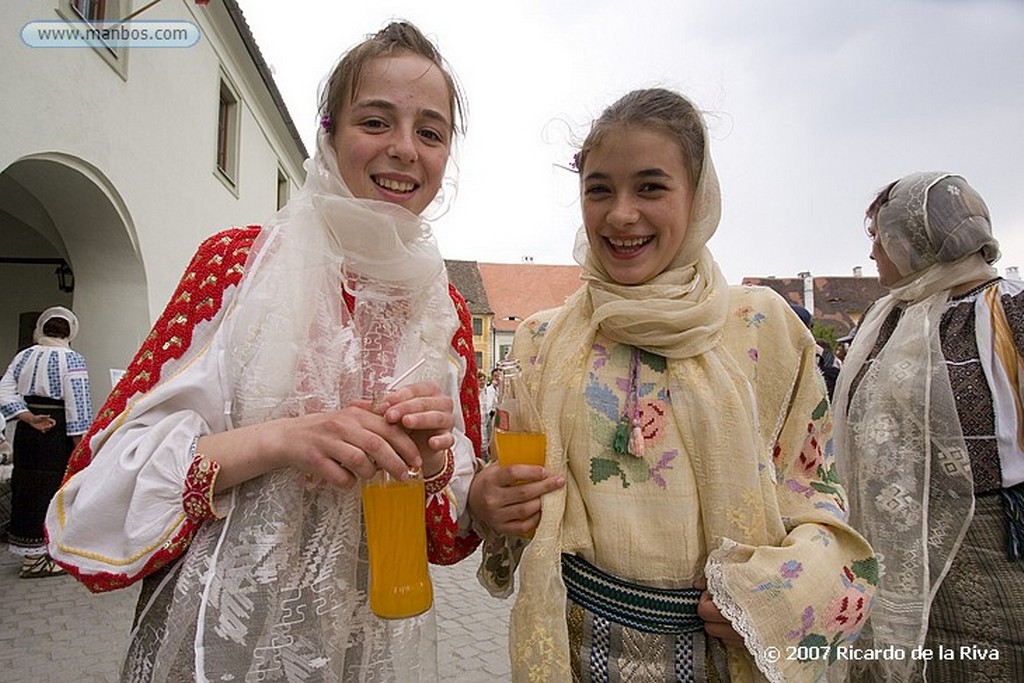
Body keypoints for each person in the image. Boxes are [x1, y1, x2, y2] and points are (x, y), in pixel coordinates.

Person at [45, 22, 482, 682]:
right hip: (216, 649)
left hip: (366, 652)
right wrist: (282, 439)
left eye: (430, 131)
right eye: (376, 121)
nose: (403, 149)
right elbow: (94, 496)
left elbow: (448, 535)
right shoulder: (237, 264)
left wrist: (428, 466)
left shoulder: (440, 307)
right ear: (329, 135)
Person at [468, 88, 876, 682]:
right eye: (599, 189)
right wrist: (488, 500)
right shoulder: (538, 342)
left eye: (651, 187)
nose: (621, 214)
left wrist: (768, 603)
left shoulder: (761, 329)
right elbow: (500, 492)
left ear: (699, 197)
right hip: (574, 653)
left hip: (724, 655)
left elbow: (817, 498)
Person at [833, 171, 1024, 680]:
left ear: (916, 241)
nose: (873, 251)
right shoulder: (887, 318)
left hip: (990, 545)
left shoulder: (1008, 309)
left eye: (880, 236)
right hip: (891, 543)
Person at [0, 306, 92, 578]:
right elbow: (79, 405)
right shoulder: (73, 360)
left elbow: (4, 389)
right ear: (70, 332)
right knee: (52, 489)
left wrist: (27, 417)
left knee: (26, 485)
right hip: (57, 430)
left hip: (29, 432)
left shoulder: (24, 356)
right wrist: (80, 444)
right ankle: (41, 557)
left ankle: (31, 553)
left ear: (41, 329)